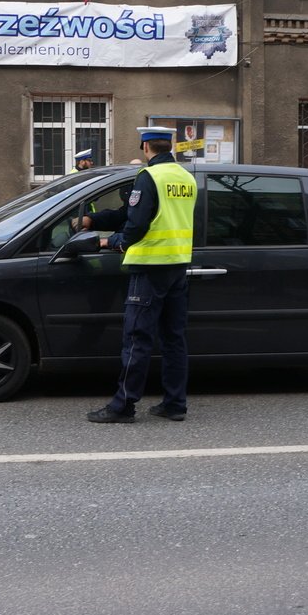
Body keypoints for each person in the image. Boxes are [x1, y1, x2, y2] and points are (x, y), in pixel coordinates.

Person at [86, 128, 197, 424]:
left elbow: (136, 223)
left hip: (150, 267)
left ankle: (123, 406)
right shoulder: (187, 178)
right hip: (178, 265)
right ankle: (175, 404)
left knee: (137, 338)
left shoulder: (149, 177)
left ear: (146, 146)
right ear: (168, 145)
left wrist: (113, 241)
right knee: (174, 339)